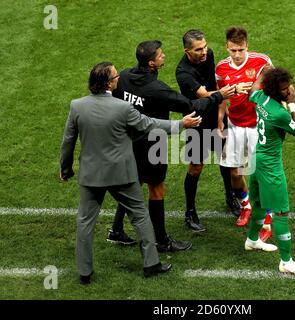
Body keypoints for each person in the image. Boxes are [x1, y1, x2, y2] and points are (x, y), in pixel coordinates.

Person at [60, 61, 202, 284]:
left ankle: (85, 272)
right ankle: (151, 264)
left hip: (91, 175)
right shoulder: (122, 108)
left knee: (85, 223)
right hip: (121, 174)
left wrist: (65, 168)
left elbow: (68, 140)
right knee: (140, 217)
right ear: (108, 83)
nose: (119, 79)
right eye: (116, 77)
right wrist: (181, 124)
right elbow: (149, 125)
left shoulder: (77, 106)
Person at [108, 41, 235, 249]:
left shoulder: (124, 78)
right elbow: (191, 105)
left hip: (128, 142)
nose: (164, 56)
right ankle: (162, 241)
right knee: (157, 189)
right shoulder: (157, 89)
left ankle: (116, 229)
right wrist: (220, 95)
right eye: (160, 55)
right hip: (151, 144)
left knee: (135, 183)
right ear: (151, 63)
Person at [246, 66, 295, 276]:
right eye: (284, 89)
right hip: (270, 165)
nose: (289, 89)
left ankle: (252, 240)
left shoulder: (260, 98)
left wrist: (264, 72)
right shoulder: (279, 113)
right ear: (276, 90)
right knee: (281, 212)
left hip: (256, 158)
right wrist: (292, 104)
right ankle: (286, 261)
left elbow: (253, 89)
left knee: (257, 203)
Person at [175, 29, 241, 232]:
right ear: (187, 51)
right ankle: (190, 211)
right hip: (198, 122)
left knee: (226, 159)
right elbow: (204, 94)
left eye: (204, 47)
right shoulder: (183, 73)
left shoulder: (209, 54)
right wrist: (228, 92)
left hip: (217, 115)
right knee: (196, 167)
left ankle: (230, 197)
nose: (204, 52)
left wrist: (222, 112)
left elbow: (214, 83)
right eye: (198, 49)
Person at [215, 26, 274, 233]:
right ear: (227, 47)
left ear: (247, 45)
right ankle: (246, 206)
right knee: (234, 172)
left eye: (241, 50)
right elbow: (221, 97)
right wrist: (220, 118)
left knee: (262, 173)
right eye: (233, 50)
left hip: (259, 126)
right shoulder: (221, 68)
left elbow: (273, 89)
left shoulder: (262, 62)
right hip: (236, 125)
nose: (237, 55)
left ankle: (267, 217)